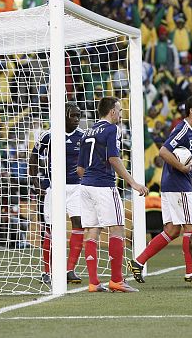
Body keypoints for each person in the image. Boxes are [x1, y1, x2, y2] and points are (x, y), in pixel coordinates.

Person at [128, 95, 192, 283]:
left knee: (172, 230)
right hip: (178, 186)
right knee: (191, 227)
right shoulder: (183, 130)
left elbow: (188, 162)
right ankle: (191, 272)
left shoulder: (190, 132)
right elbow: (163, 151)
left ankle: (138, 262)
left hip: (172, 186)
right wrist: (181, 169)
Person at [77, 97, 149, 292]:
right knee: (117, 228)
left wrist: (91, 180)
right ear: (111, 112)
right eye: (119, 110)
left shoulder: (87, 132)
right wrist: (133, 182)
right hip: (103, 185)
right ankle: (117, 280)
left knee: (92, 231)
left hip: (85, 186)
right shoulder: (112, 129)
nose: (120, 114)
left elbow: (80, 168)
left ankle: (93, 282)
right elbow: (114, 158)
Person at [30, 103, 84, 284]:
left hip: (76, 187)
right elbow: (34, 156)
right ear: (64, 115)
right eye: (73, 116)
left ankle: (70, 269)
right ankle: (48, 272)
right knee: (50, 229)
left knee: (79, 223)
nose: (77, 119)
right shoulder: (49, 135)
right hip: (54, 188)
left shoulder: (82, 137)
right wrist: (35, 181)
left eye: (79, 116)